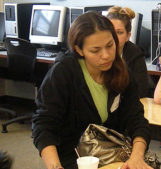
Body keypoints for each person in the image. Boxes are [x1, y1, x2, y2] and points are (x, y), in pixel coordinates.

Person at [32, 11, 151, 169]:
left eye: (110, 45)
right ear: (79, 50)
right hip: (72, 158)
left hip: (112, 155)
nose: (106, 55)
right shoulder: (64, 72)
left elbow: (136, 119)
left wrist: (137, 157)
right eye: (95, 51)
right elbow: (44, 125)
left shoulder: (121, 70)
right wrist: (55, 166)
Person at [106, 6, 149, 98]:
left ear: (127, 36)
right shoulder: (97, 52)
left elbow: (141, 89)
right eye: (110, 31)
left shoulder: (135, 53)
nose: (114, 36)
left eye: (119, 32)